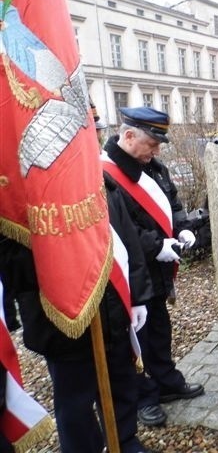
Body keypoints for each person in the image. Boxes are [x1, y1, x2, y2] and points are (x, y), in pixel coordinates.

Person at [0, 175, 155, 453]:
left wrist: (138, 296)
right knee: (75, 403)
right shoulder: (18, 193)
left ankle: (125, 442)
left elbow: (127, 240)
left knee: (122, 385)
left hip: (112, 309)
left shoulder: (98, 179)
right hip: (60, 323)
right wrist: (63, 249)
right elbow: (13, 268)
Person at [102, 106, 204, 428]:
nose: (157, 151)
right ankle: (144, 395)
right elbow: (118, 229)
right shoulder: (104, 173)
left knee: (159, 327)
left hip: (158, 269)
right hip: (130, 272)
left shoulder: (154, 167)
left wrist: (183, 227)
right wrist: (156, 245)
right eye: (153, 143)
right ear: (128, 136)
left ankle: (166, 381)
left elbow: (172, 204)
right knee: (137, 337)